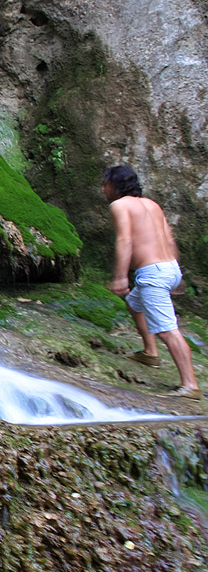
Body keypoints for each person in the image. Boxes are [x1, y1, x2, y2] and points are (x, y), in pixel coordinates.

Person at [104, 164, 201, 400]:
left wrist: (119, 276)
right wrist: (176, 276)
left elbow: (125, 240)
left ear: (114, 185)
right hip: (168, 268)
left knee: (168, 330)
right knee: (135, 303)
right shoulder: (152, 205)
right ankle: (150, 352)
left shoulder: (120, 205)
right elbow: (169, 239)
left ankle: (190, 385)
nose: (103, 188)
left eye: (104, 183)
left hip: (152, 274)